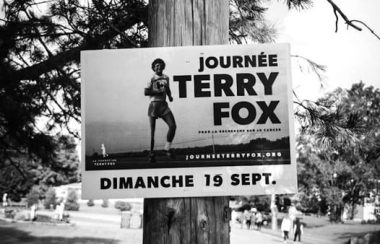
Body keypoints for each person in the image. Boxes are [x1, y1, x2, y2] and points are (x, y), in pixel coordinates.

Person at [145, 58, 176, 163]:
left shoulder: (166, 77)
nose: (158, 67)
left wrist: (170, 96)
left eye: (160, 65)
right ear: (153, 68)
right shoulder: (152, 78)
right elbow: (146, 92)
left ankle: (166, 148)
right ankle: (151, 153)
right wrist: (157, 91)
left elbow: (167, 89)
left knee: (173, 126)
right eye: (156, 66)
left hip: (163, 105)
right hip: (154, 105)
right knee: (153, 132)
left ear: (163, 66)